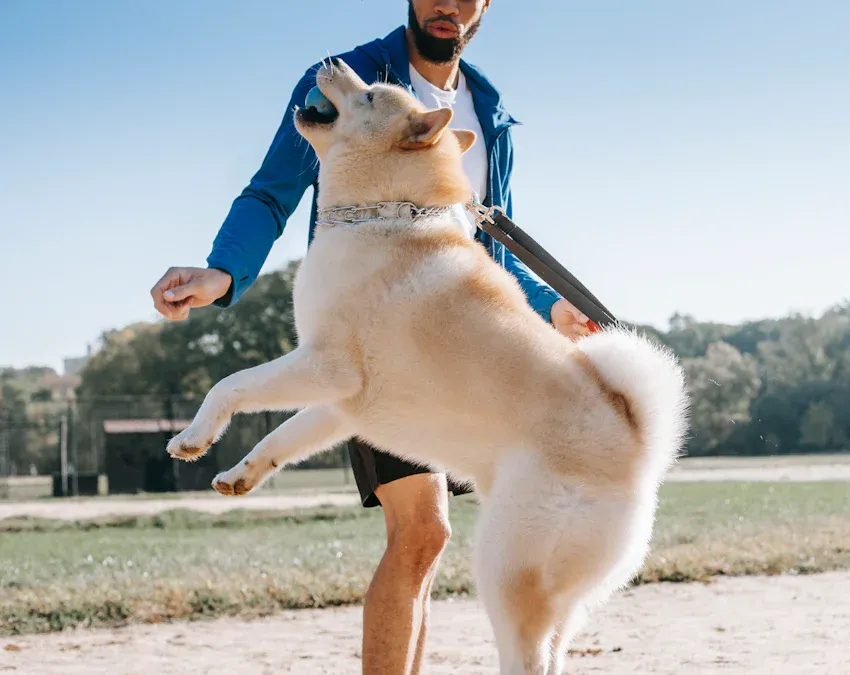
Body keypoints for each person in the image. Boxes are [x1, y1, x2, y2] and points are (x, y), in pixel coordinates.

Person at [149, 2, 592, 672]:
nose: (450, 5)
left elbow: (483, 252)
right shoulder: (348, 79)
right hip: (372, 333)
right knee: (421, 529)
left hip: (455, 353)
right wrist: (221, 271)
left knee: (428, 540)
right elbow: (272, 192)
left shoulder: (488, 110)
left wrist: (553, 309)